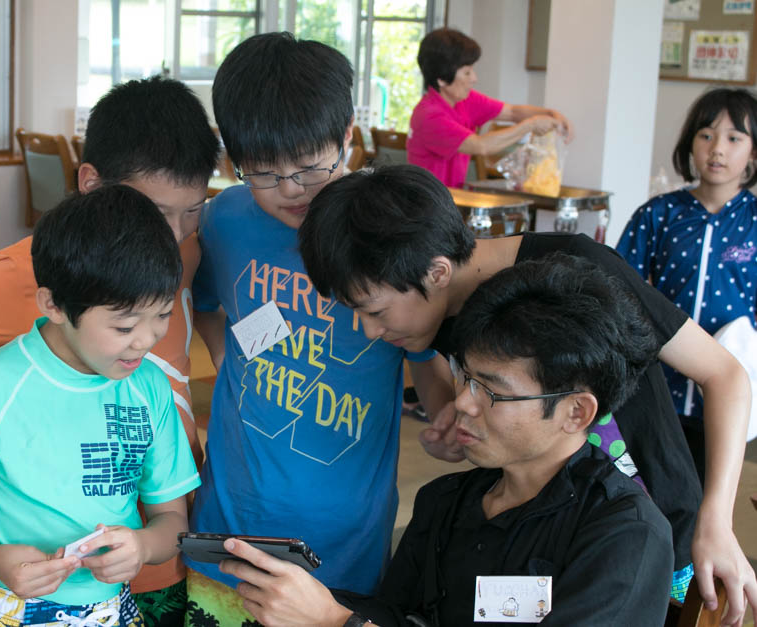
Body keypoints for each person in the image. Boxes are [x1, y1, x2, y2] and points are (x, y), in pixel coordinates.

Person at [297, 165, 757, 625]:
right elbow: (473, 425)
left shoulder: (574, 275)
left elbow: (725, 375)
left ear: (436, 272)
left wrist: (716, 520)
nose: (369, 331)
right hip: (532, 537)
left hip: (648, 528)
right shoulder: (429, 318)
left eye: (374, 311)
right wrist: (456, 431)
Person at [0, 76, 219, 624]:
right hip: (18, 594)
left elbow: (170, 519)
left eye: (191, 211)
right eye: (157, 209)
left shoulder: (175, 260)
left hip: (135, 575)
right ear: (91, 183)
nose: (172, 231)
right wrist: (7, 429)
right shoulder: (32, 277)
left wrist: (147, 544)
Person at [219, 254, 675, 626]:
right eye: (466, 379)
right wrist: (306, 602)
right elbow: (396, 614)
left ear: (577, 412)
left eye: (492, 391)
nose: (463, 404)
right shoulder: (447, 501)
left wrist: (336, 622)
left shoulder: (625, 535)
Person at [186, 32, 451, 624]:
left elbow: (424, 347)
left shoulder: (384, 231)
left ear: (348, 135)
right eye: (263, 172)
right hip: (229, 525)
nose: (290, 189)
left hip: (344, 548)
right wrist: (228, 357)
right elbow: (207, 305)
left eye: (310, 165)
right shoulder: (225, 221)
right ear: (232, 160)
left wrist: (445, 413)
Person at [616, 87, 757, 484]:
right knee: (654, 488)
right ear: (690, 142)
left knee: (710, 495)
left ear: (754, 152)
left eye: (734, 138)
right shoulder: (658, 214)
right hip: (661, 385)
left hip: (731, 387)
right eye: (706, 135)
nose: (718, 149)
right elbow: (616, 282)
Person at [406, 27, 573, 188]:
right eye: (467, 73)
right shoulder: (428, 116)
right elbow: (481, 146)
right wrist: (531, 125)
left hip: (449, 200)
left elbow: (513, 112)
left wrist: (552, 114)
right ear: (441, 79)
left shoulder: (464, 100)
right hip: (425, 209)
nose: (474, 78)